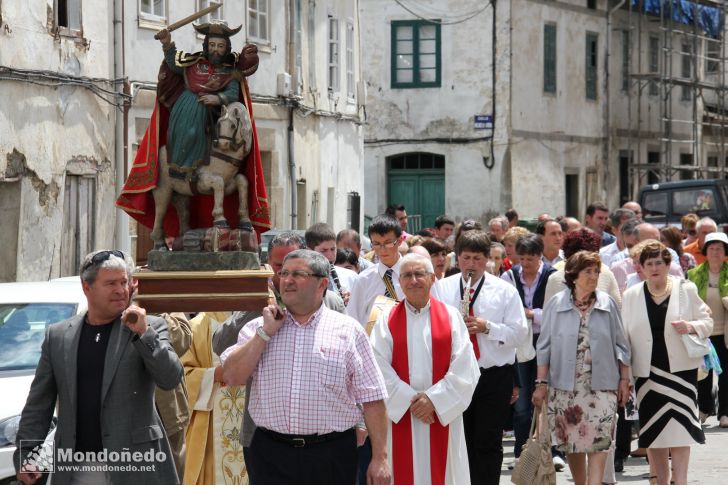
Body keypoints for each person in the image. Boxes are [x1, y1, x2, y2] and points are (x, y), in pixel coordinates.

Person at [220, 250, 391, 485]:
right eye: (284, 273)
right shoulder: (258, 327)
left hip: (331, 454)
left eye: (298, 274)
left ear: (322, 283)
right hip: (270, 454)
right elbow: (231, 376)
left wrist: (380, 458)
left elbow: (372, 397)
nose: (287, 280)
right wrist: (265, 334)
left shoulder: (348, 331)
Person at [14, 250, 182, 485]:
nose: (120, 290)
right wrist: (25, 453)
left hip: (138, 467)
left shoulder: (149, 327)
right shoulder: (59, 336)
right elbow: (38, 404)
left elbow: (170, 378)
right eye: (111, 283)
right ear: (86, 287)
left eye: (124, 282)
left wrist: (145, 334)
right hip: (76, 468)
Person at [370, 253, 480, 484]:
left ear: (432, 278)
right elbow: (377, 366)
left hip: (442, 415)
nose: (413, 280)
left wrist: (434, 400)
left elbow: (465, 367)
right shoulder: (386, 318)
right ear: (399, 282)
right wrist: (411, 400)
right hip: (401, 415)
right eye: (407, 275)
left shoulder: (451, 317)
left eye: (419, 274)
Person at [432, 230, 528, 485]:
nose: (471, 265)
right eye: (466, 258)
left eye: (477, 258)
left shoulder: (504, 291)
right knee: (458, 441)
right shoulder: (442, 288)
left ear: (487, 259)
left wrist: (488, 327)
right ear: (457, 259)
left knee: (488, 442)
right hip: (454, 374)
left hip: (493, 375)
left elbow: (520, 334)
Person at [533, 251, 631, 485]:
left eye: (596, 271)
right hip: (566, 385)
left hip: (602, 384)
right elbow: (543, 346)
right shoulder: (556, 303)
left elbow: (622, 344)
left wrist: (625, 380)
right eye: (588, 271)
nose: (594, 276)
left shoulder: (607, 303)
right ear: (574, 275)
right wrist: (541, 384)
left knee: (600, 438)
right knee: (573, 442)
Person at [622, 241, 712, 485]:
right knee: (653, 432)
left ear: (668, 265)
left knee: (682, 429)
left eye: (659, 263)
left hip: (681, 372)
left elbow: (707, 322)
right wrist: (625, 376)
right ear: (640, 267)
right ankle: (661, 479)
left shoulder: (686, 289)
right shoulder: (631, 295)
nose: (654, 268)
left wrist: (690, 326)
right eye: (648, 263)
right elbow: (624, 337)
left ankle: (680, 479)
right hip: (646, 374)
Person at [500, 235, 558, 466]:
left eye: (531, 258)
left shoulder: (553, 276)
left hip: (548, 342)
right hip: (521, 344)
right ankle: (522, 453)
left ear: (540, 255)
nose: (526, 263)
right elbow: (506, 310)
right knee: (523, 403)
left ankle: (555, 452)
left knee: (551, 399)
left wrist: (533, 314)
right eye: (522, 258)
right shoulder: (509, 276)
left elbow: (557, 312)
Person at [157, 23, 243, 171]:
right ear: (206, 45)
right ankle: (178, 170)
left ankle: (196, 168)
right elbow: (174, 64)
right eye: (212, 45)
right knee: (180, 133)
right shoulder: (194, 62)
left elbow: (233, 93)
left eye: (220, 46)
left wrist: (217, 98)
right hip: (185, 106)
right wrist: (167, 44)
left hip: (211, 110)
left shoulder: (229, 71)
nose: (215, 49)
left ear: (226, 48)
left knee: (196, 133)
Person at [182, 311, 252, 485]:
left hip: (255, 427)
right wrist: (216, 374)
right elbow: (180, 377)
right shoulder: (198, 326)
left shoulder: (265, 321)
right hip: (213, 432)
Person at [688, 232, 728, 427]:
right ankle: (704, 409)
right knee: (703, 374)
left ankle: (725, 413)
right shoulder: (694, 274)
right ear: (705, 251)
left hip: (725, 333)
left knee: (726, 374)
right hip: (703, 332)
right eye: (712, 248)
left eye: (720, 248)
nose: (715, 252)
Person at [306, 222, 357, 304]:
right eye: (324, 250)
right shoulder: (302, 279)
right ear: (309, 251)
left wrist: (352, 302)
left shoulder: (351, 277)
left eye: (333, 249)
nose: (330, 255)